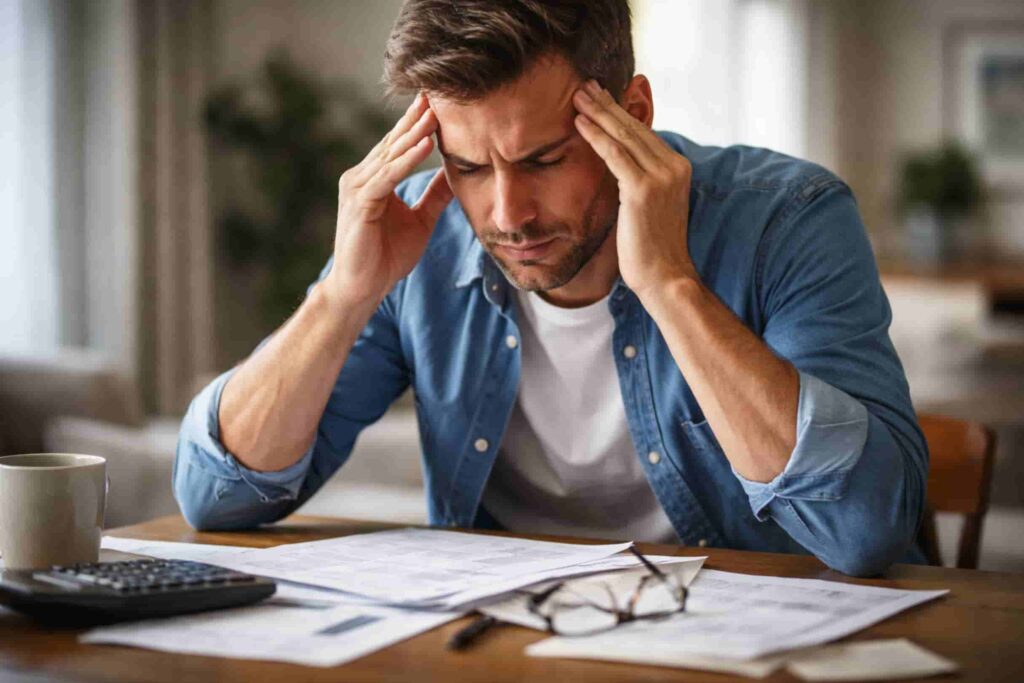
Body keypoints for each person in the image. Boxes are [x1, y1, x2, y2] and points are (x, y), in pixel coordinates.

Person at [174, 0, 927, 576]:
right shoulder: (422, 240)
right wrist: (341, 297)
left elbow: (864, 529)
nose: (506, 215)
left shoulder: (787, 219)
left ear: (631, 115)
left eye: (542, 159)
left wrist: (670, 284)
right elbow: (216, 496)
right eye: (467, 166)